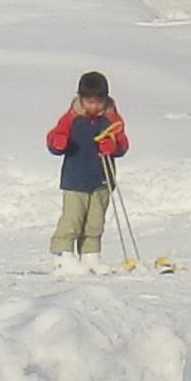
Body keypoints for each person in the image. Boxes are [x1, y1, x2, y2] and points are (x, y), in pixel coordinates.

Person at [44, 70, 130, 271]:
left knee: (95, 222)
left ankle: (90, 256)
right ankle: (62, 254)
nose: (93, 106)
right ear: (80, 99)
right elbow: (54, 138)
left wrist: (114, 145)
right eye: (88, 101)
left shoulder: (112, 118)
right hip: (75, 180)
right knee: (72, 218)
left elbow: (123, 144)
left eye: (97, 102)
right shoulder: (72, 118)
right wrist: (58, 143)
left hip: (102, 180)